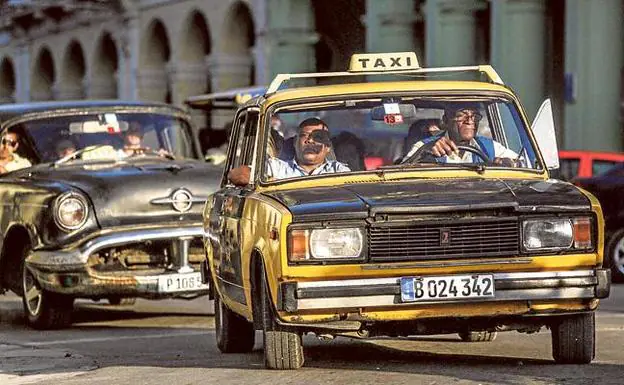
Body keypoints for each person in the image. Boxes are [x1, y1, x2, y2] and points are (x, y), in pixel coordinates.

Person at [228, 117, 350, 185]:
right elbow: (235, 175)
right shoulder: (276, 168)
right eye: (304, 136)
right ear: (295, 142)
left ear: (327, 147)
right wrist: (268, 182)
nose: (310, 141)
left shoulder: (339, 171)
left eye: (318, 137)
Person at [402, 106, 517, 165]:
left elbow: (526, 165)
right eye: (461, 115)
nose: (470, 121)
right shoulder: (424, 146)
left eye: (474, 116)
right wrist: (425, 154)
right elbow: (401, 174)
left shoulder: (489, 147)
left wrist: (508, 163)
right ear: (446, 120)